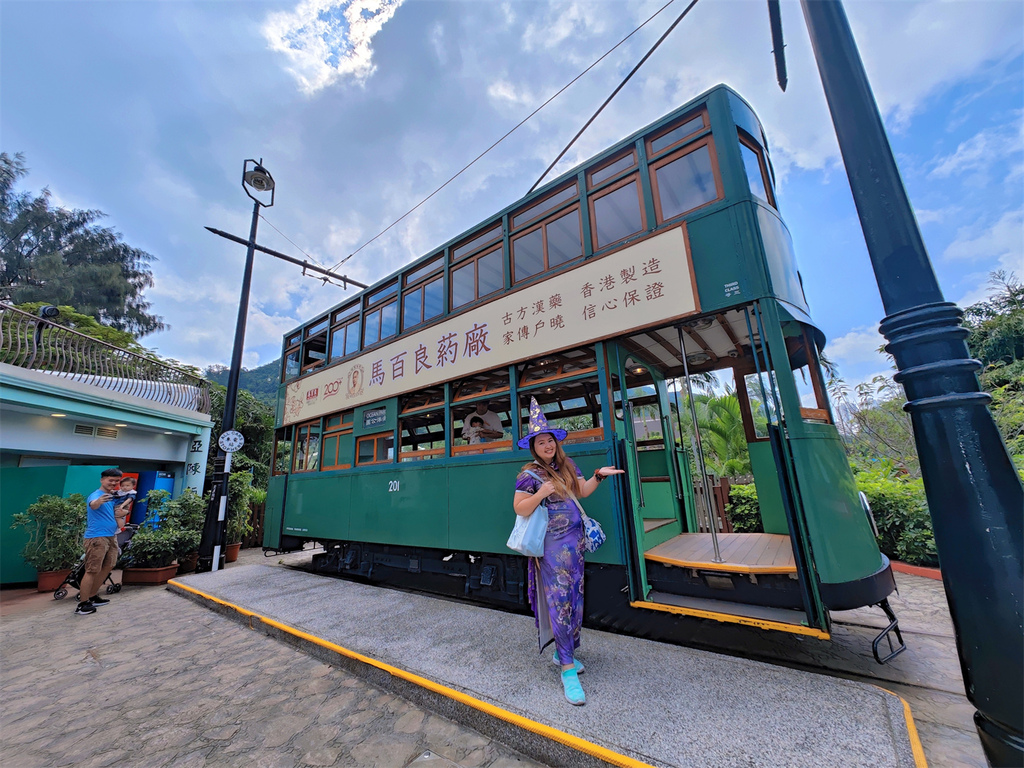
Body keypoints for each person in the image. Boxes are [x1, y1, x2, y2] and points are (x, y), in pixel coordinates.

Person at [512, 397, 624, 706]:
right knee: (560, 601)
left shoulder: (567, 466)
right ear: (533, 447)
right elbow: (519, 508)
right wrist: (543, 493)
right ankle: (566, 668)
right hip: (551, 549)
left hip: (575, 547)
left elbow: (582, 491)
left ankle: (567, 653)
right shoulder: (530, 475)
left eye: (550, 440)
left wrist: (598, 476)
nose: (546, 445)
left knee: (575, 598)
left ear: (556, 443)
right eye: (540, 442)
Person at [75, 468, 131, 616]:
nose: (113, 483)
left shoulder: (112, 497)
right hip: (97, 537)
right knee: (92, 569)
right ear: (102, 480)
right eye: (110, 480)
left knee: (109, 565)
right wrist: (98, 501)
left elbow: (115, 513)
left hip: (111, 536)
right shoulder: (96, 495)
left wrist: (123, 511)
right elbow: (93, 504)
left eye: (116, 481)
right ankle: (83, 603)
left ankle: (92, 596)